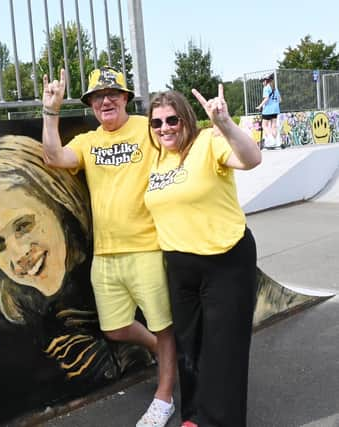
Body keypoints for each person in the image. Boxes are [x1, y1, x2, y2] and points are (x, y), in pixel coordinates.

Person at [42, 66, 177, 427]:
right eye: (97, 97)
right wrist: (50, 111)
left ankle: (164, 398)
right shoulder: (89, 140)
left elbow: (178, 147)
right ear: (90, 104)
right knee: (116, 329)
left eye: (112, 94)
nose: (105, 101)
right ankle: (165, 355)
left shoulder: (147, 128)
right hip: (106, 254)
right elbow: (54, 157)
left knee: (165, 327)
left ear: (126, 98)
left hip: (148, 247)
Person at [0, 135, 145, 384]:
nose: (18, 254)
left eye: (24, 225)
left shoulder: (107, 269)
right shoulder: (9, 337)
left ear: (59, 203)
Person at [144, 86, 261, 427]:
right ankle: (193, 416)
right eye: (157, 123)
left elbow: (251, 159)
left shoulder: (209, 142)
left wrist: (224, 122)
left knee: (224, 349)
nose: (165, 127)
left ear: (186, 119)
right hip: (180, 265)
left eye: (172, 119)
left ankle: (220, 421)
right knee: (189, 344)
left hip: (225, 260)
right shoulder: (156, 158)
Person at [256, 73, 281, 148]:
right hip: (276, 110)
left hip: (268, 110)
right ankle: (276, 142)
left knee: (264, 125)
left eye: (263, 81)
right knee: (274, 126)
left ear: (266, 81)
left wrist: (260, 106)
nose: (262, 83)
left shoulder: (266, 88)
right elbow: (280, 100)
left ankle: (271, 140)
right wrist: (274, 103)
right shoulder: (275, 89)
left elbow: (266, 99)